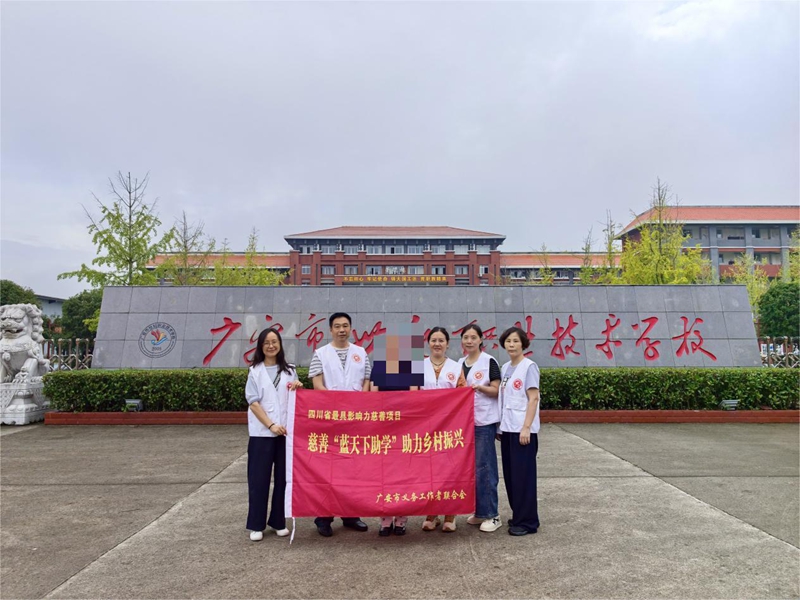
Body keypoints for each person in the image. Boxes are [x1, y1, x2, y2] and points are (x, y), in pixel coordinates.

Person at [308, 312, 371, 537]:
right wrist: (337, 405)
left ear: (350, 328)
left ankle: (351, 514)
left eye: (345, 326)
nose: (341, 330)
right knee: (328, 470)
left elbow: (366, 381)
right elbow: (317, 384)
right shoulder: (320, 353)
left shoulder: (361, 352)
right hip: (330, 420)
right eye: (337, 326)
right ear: (330, 329)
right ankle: (324, 517)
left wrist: (359, 403)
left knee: (353, 468)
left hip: (355, 420)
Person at [245, 327, 303, 542]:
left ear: (280, 344)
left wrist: (298, 386)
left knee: (284, 479)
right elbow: (253, 403)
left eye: (274, 342)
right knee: (258, 479)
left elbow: (296, 398)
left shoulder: (290, 370)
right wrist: (270, 425)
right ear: (261, 346)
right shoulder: (255, 371)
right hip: (262, 434)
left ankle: (278, 521)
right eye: (267, 342)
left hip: (286, 434)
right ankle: (256, 524)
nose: (271, 346)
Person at [368, 326, 421, 537]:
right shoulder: (378, 369)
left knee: (404, 474)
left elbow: (414, 397)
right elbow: (373, 396)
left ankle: (401, 518)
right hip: (383, 429)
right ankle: (385, 518)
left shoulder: (412, 370)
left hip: (405, 428)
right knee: (383, 473)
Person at [458, 324, 503, 533]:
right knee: (471, 470)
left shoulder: (489, 361)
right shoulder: (460, 363)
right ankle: (480, 511)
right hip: (465, 423)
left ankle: (493, 515)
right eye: (466, 337)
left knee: (485, 468)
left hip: (484, 422)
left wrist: (479, 388)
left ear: (481, 339)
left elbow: (496, 390)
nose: (469, 341)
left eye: (473, 337)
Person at [421, 327, 466, 533]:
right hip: (425, 427)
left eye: (441, 340)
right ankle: (431, 514)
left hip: (450, 428)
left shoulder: (456, 367)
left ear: (447, 344)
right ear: (428, 343)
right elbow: (412, 395)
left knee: (449, 470)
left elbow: (462, 395)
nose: (437, 344)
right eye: (433, 340)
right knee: (429, 471)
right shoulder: (419, 366)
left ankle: (450, 514)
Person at [498, 326, 541, 536]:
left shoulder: (529, 367)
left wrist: (526, 427)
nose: (511, 345)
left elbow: (533, 398)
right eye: (508, 341)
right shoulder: (506, 367)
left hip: (523, 431)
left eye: (515, 341)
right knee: (511, 476)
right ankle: (518, 515)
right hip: (508, 429)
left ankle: (528, 522)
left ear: (523, 344)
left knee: (524, 477)